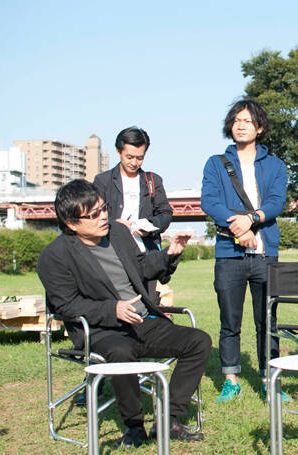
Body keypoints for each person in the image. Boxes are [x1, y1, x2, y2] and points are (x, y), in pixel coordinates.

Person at [37, 179, 211, 448]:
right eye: (93, 215)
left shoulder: (117, 233)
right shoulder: (54, 256)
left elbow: (142, 267)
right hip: (101, 330)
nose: (103, 217)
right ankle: (134, 426)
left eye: (103, 209)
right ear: (71, 223)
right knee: (121, 351)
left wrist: (169, 254)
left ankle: (169, 420)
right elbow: (66, 305)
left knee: (198, 341)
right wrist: (113, 309)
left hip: (142, 321)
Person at [201, 99, 287, 403]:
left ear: (259, 127)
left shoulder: (275, 165)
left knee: (268, 321)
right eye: (236, 120)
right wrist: (239, 226)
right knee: (229, 320)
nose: (241, 125)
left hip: (265, 254)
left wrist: (251, 219)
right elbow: (209, 201)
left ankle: (268, 379)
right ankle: (231, 380)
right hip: (229, 254)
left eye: (247, 121)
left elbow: (276, 202)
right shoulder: (215, 163)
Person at [94, 126, 173, 302]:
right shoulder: (103, 181)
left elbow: (166, 213)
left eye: (140, 158)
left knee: (148, 306)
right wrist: (116, 224)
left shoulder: (153, 181)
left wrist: (150, 225)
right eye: (129, 157)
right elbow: (94, 215)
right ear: (118, 152)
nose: (134, 162)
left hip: (146, 257)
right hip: (113, 256)